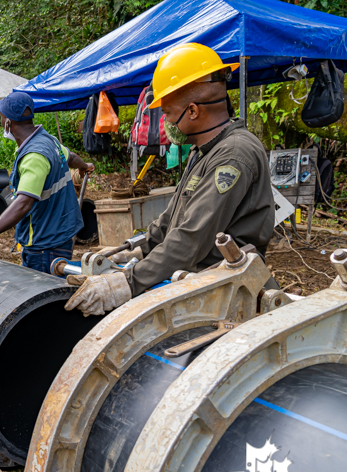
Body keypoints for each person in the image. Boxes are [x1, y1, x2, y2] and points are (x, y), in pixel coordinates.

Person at [66, 43, 274, 317]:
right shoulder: (205, 150)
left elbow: (191, 238)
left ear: (192, 111)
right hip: (200, 283)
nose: (165, 121)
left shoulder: (233, 155)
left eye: (166, 113)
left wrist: (127, 283)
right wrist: (132, 251)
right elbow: (171, 220)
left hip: (227, 294)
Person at [0, 92, 94, 273]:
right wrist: (84, 166)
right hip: (61, 233)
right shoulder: (49, 140)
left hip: (44, 244)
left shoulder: (35, 156)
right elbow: (70, 157)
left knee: (44, 295)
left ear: (8, 122)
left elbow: (24, 203)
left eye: (1, 116)